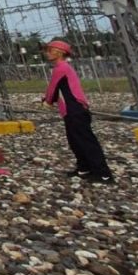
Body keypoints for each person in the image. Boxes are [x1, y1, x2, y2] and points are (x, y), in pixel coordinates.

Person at [43, 39, 113, 184]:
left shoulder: (61, 68)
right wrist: (47, 99)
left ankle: (103, 173)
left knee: (86, 142)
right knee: (75, 141)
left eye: (50, 50)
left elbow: (52, 89)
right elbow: (57, 90)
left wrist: (48, 101)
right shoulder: (63, 67)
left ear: (60, 52)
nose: (47, 53)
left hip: (75, 110)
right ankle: (84, 168)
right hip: (72, 111)